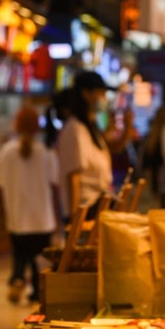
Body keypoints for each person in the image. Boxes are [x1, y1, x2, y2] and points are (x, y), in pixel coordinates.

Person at [0, 106, 59, 304]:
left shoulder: (6, 152)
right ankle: (37, 291)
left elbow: (1, 184)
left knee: (19, 254)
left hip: (17, 215)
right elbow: (54, 182)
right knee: (39, 259)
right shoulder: (46, 152)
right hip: (42, 217)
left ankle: (17, 278)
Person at [55, 71, 113, 220]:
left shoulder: (89, 127)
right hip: (84, 211)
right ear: (86, 94)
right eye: (101, 93)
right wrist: (75, 221)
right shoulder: (75, 129)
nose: (104, 98)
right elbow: (73, 176)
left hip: (95, 206)